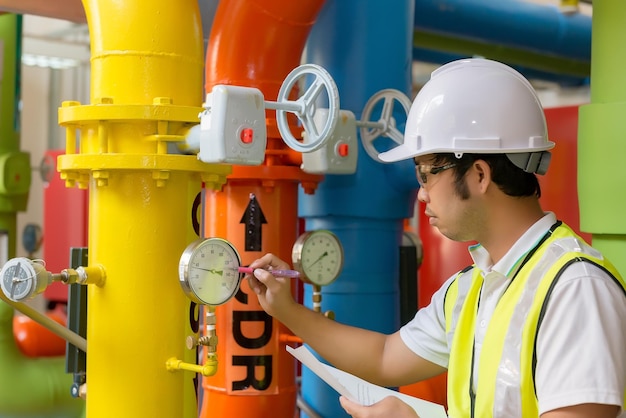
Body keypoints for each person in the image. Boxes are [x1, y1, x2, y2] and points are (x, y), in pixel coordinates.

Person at [243, 58, 626, 418]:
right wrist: (287, 310)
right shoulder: (471, 289)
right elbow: (383, 357)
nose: (421, 194)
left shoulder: (574, 288)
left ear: (479, 174)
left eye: (427, 174)